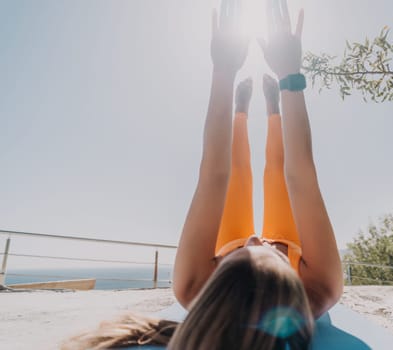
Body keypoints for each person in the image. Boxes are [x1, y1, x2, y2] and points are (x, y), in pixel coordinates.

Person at [62, 0, 342, 349]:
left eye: (237, 256)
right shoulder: (320, 287)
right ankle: (271, 111)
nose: (256, 239)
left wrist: (223, 72)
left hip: (245, 263)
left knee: (239, 176)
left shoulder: (193, 286)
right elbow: (301, 174)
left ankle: (243, 111)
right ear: (290, 285)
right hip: (291, 249)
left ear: (217, 278)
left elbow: (214, 173)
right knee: (277, 175)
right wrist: (289, 76)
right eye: (266, 252)